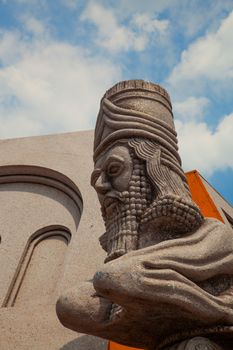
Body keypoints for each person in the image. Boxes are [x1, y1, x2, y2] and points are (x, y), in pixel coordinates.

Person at [57, 80, 233, 349]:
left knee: (115, 276)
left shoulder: (214, 235)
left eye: (114, 170)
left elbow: (120, 276)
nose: (102, 186)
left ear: (152, 169)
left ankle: (221, 312)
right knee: (72, 303)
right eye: (97, 178)